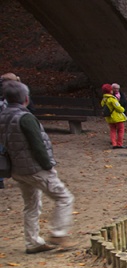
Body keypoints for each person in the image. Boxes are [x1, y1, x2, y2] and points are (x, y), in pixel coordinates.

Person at [0, 80, 75, 254]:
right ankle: (59, 233)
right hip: (35, 168)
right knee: (64, 198)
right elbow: (37, 144)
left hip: (17, 169)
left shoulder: (3, 116)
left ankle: (32, 241)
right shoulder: (25, 117)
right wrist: (47, 165)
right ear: (26, 98)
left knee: (32, 205)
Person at [100, 83, 127, 149]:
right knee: (121, 130)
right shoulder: (112, 99)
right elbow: (119, 108)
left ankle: (114, 143)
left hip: (109, 118)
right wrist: (123, 109)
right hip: (117, 118)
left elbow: (102, 105)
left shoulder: (104, 99)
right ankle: (119, 144)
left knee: (112, 130)